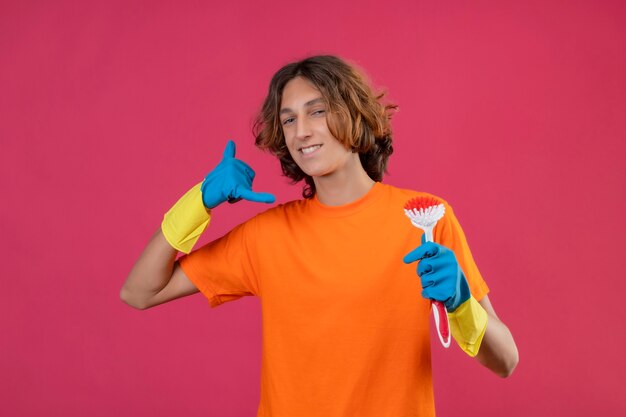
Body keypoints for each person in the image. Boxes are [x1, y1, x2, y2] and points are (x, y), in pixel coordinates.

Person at [121, 55, 518, 416]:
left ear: (355, 114)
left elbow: (506, 361)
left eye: (318, 112)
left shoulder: (424, 219)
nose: (302, 132)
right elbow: (139, 292)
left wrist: (462, 304)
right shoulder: (268, 235)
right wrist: (198, 202)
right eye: (289, 119)